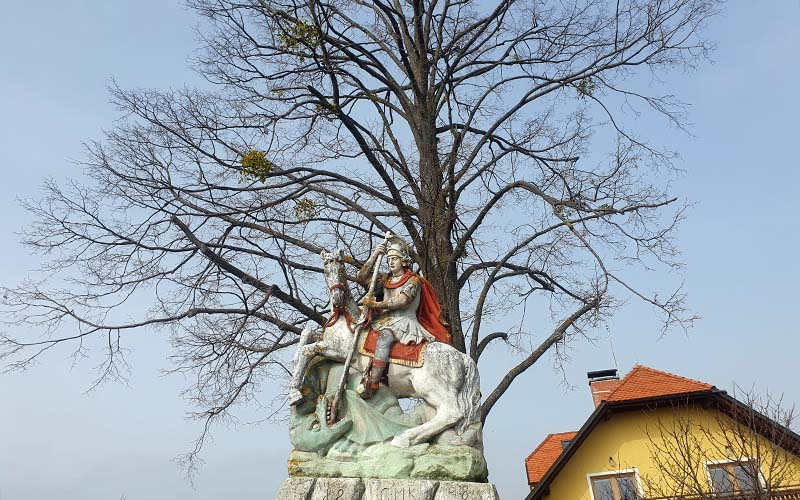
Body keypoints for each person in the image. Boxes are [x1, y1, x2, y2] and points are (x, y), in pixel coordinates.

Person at [355, 237, 451, 399]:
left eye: (394, 259)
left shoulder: (413, 280)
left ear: (404, 261)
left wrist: (376, 305)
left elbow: (402, 300)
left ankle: (373, 381)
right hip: (385, 320)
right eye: (388, 259)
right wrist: (374, 255)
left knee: (385, 337)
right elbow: (361, 278)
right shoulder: (385, 280)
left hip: (404, 321)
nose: (391, 262)